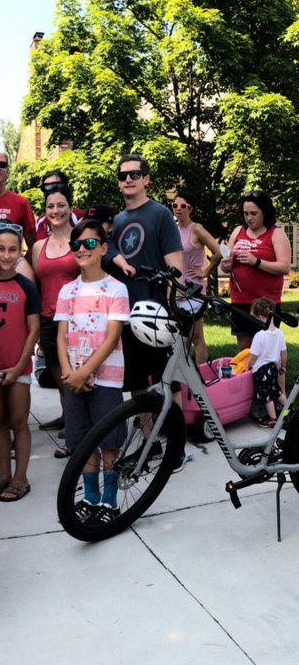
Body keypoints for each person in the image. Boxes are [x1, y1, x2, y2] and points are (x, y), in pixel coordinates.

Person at [108, 154, 184, 462]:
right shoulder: (118, 221)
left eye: (135, 174)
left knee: (170, 384)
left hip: (157, 314)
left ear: (146, 178)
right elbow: (108, 251)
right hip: (128, 316)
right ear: (119, 181)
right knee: (138, 386)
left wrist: (170, 308)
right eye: (124, 175)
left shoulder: (161, 214)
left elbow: (175, 266)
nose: (129, 179)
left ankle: (176, 446)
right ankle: (149, 441)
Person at [55, 218, 131, 524]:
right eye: (76, 244)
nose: (82, 249)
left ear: (102, 248)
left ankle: (109, 503)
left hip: (106, 380)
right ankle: (90, 497)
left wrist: (85, 371)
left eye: (89, 243)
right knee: (84, 443)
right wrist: (69, 374)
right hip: (73, 380)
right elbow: (60, 335)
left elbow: (112, 337)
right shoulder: (66, 290)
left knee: (109, 442)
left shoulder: (117, 288)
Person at [0, 224, 40, 503]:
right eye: (0, 248)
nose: (6, 254)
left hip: (17, 368)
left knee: (18, 422)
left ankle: (20, 477)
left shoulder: (27, 286)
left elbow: (34, 330)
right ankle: (3, 474)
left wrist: (18, 368)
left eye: (12, 249)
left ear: (20, 252)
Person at [31, 185, 81, 448]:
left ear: (70, 208)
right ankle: (68, 417)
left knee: (77, 374)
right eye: (50, 206)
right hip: (48, 319)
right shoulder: (39, 246)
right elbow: (35, 285)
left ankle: (78, 426)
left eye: (61, 205)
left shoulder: (81, 240)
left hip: (78, 320)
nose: (56, 210)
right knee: (59, 375)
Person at [219, 189, 291, 351]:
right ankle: (246, 377)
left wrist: (256, 261)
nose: (249, 218)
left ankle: (269, 375)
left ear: (264, 212)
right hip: (240, 301)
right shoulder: (238, 231)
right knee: (244, 347)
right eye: (245, 214)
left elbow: (285, 267)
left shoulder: (276, 233)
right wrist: (226, 264)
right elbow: (224, 266)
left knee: (266, 348)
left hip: (265, 302)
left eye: (253, 213)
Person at [171, 189, 220, 365]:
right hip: (177, 291)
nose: (178, 208)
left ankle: (202, 379)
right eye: (175, 205)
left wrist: (205, 271)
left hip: (194, 291)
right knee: (180, 339)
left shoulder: (196, 229)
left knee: (196, 337)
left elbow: (218, 252)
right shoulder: (172, 229)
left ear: (190, 208)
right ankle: (186, 379)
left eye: (182, 205)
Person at [248, 296, 287, 426]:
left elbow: (253, 355)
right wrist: (283, 367)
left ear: (260, 318)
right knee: (277, 391)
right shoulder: (279, 333)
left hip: (261, 370)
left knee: (267, 396)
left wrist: (248, 366)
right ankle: (289, 411)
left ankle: (273, 419)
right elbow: (284, 352)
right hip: (274, 368)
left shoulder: (259, 336)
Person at [33, 170, 84, 241]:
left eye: (55, 186)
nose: (51, 190)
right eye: (46, 187)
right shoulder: (41, 222)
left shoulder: (79, 217)